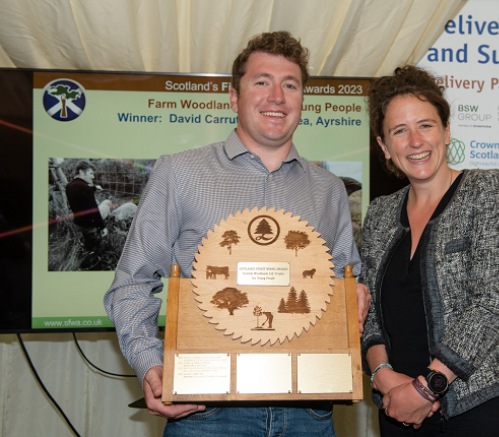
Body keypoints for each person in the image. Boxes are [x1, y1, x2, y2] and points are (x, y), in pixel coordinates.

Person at [104, 31, 368, 437]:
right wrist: (150, 364)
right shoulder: (180, 173)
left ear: (302, 100)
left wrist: (355, 299)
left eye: (290, 85)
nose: (276, 96)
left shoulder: (329, 190)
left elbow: (345, 285)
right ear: (234, 97)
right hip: (205, 414)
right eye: (262, 82)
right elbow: (131, 283)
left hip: (309, 414)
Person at [361, 66, 499, 436]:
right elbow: (367, 309)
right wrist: (385, 378)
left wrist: (426, 387)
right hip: (399, 408)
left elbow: (493, 305)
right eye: (399, 131)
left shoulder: (488, 191)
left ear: (447, 131)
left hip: (479, 405)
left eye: (426, 125)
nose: (415, 141)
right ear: (385, 147)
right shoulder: (379, 213)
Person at [65, 160, 108, 266]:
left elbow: (80, 191)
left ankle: (79, 259)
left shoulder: (69, 186)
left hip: (77, 223)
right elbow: (94, 211)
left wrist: (93, 188)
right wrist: (102, 227)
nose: (93, 177)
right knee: (94, 248)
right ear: (81, 172)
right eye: (91, 173)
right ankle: (91, 266)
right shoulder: (85, 189)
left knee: (83, 245)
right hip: (89, 227)